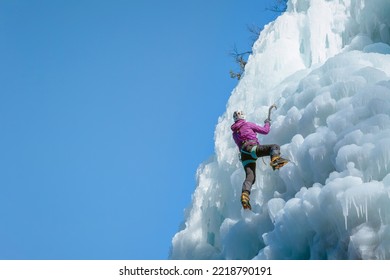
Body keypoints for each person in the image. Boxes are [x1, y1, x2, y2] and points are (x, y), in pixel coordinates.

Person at [231, 110, 288, 210]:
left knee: (250, 177)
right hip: (251, 148)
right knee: (274, 147)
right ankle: (275, 161)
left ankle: (245, 195)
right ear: (243, 116)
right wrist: (267, 123)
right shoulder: (248, 124)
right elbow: (265, 131)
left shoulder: (234, 133)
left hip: (244, 155)